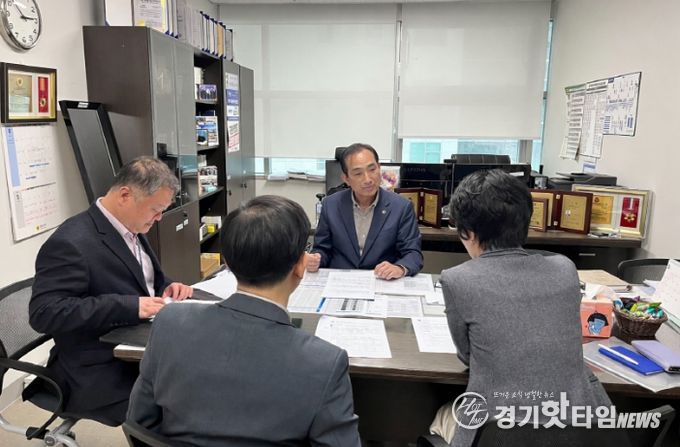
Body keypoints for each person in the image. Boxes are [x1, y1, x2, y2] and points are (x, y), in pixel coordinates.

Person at [127, 195, 361, 446]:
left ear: (226, 262)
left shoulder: (170, 322)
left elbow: (140, 424)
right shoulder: (324, 362)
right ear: (300, 266)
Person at [434, 169, 611, 446]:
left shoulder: (457, 279)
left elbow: (468, 357)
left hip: (496, 431)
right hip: (575, 429)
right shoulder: (565, 268)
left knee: (441, 417)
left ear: (468, 232)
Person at [27, 156, 193, 426]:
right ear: (125, 195)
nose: (160, 218)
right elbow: (44, 313)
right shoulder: (71, 243)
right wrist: (129, 306)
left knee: (200, 378)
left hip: (136, 343)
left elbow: (141, 280)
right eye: (156, 209)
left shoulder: (130, 226)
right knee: (182, 404)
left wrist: (167, 286)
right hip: (97, 367)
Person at [308, 143, 423, 279]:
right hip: (341, 281)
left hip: (381, 281)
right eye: (358, 173)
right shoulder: (330, 205)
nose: (368, 179)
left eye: (372, 169)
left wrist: (399, 268)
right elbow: (322, 249)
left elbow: (413, 253)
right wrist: (316, 259)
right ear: (346, 179)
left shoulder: (401, 207)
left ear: (379, 168)